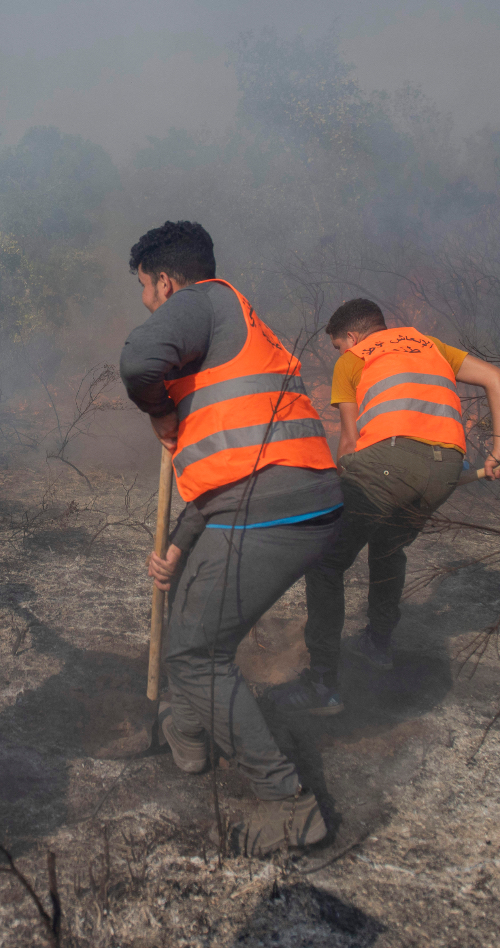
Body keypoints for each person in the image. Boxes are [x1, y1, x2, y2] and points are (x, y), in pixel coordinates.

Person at [120, 220, 342, 855]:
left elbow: (138, 362)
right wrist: (179, 547)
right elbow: (223, 475)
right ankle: (189, 731)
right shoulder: (235, 325)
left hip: (271, 504)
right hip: (278, 500)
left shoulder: (202, 300)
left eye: (144, 287)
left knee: (194, 652)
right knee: (192, 606)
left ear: (165, 282)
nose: (144, 302)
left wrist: (160, 407)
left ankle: (288, 805)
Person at [268, 299, 500, 714]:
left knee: (326, 561)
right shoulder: (430, 344)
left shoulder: (354, 358)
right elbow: (495, 378)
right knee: (390, 546)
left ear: (352, 338)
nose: (340, 353)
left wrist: (336, 483)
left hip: (389, 459)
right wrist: (498, 449)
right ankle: (377, 644)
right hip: (446, 467)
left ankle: (322, 686)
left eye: (338, 346)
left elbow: (351, 442)